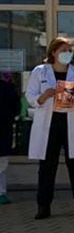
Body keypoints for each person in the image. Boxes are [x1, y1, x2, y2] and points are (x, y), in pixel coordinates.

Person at [24, 37, 74, 219]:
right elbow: (30, 96)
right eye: (63, 50)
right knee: (47, 167)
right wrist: (44, 95)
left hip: (72, 123)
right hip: (49, 125)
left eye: (70, 51)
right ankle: (43, 206)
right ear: (53, 52)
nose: (67, 54)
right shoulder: (40, 72)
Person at [0, 71, 19, 205]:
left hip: (3, 130)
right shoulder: (7, 88)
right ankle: (1, 193)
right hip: (3, 130)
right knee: (1, 165)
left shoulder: (7, 88)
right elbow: (16, 108)